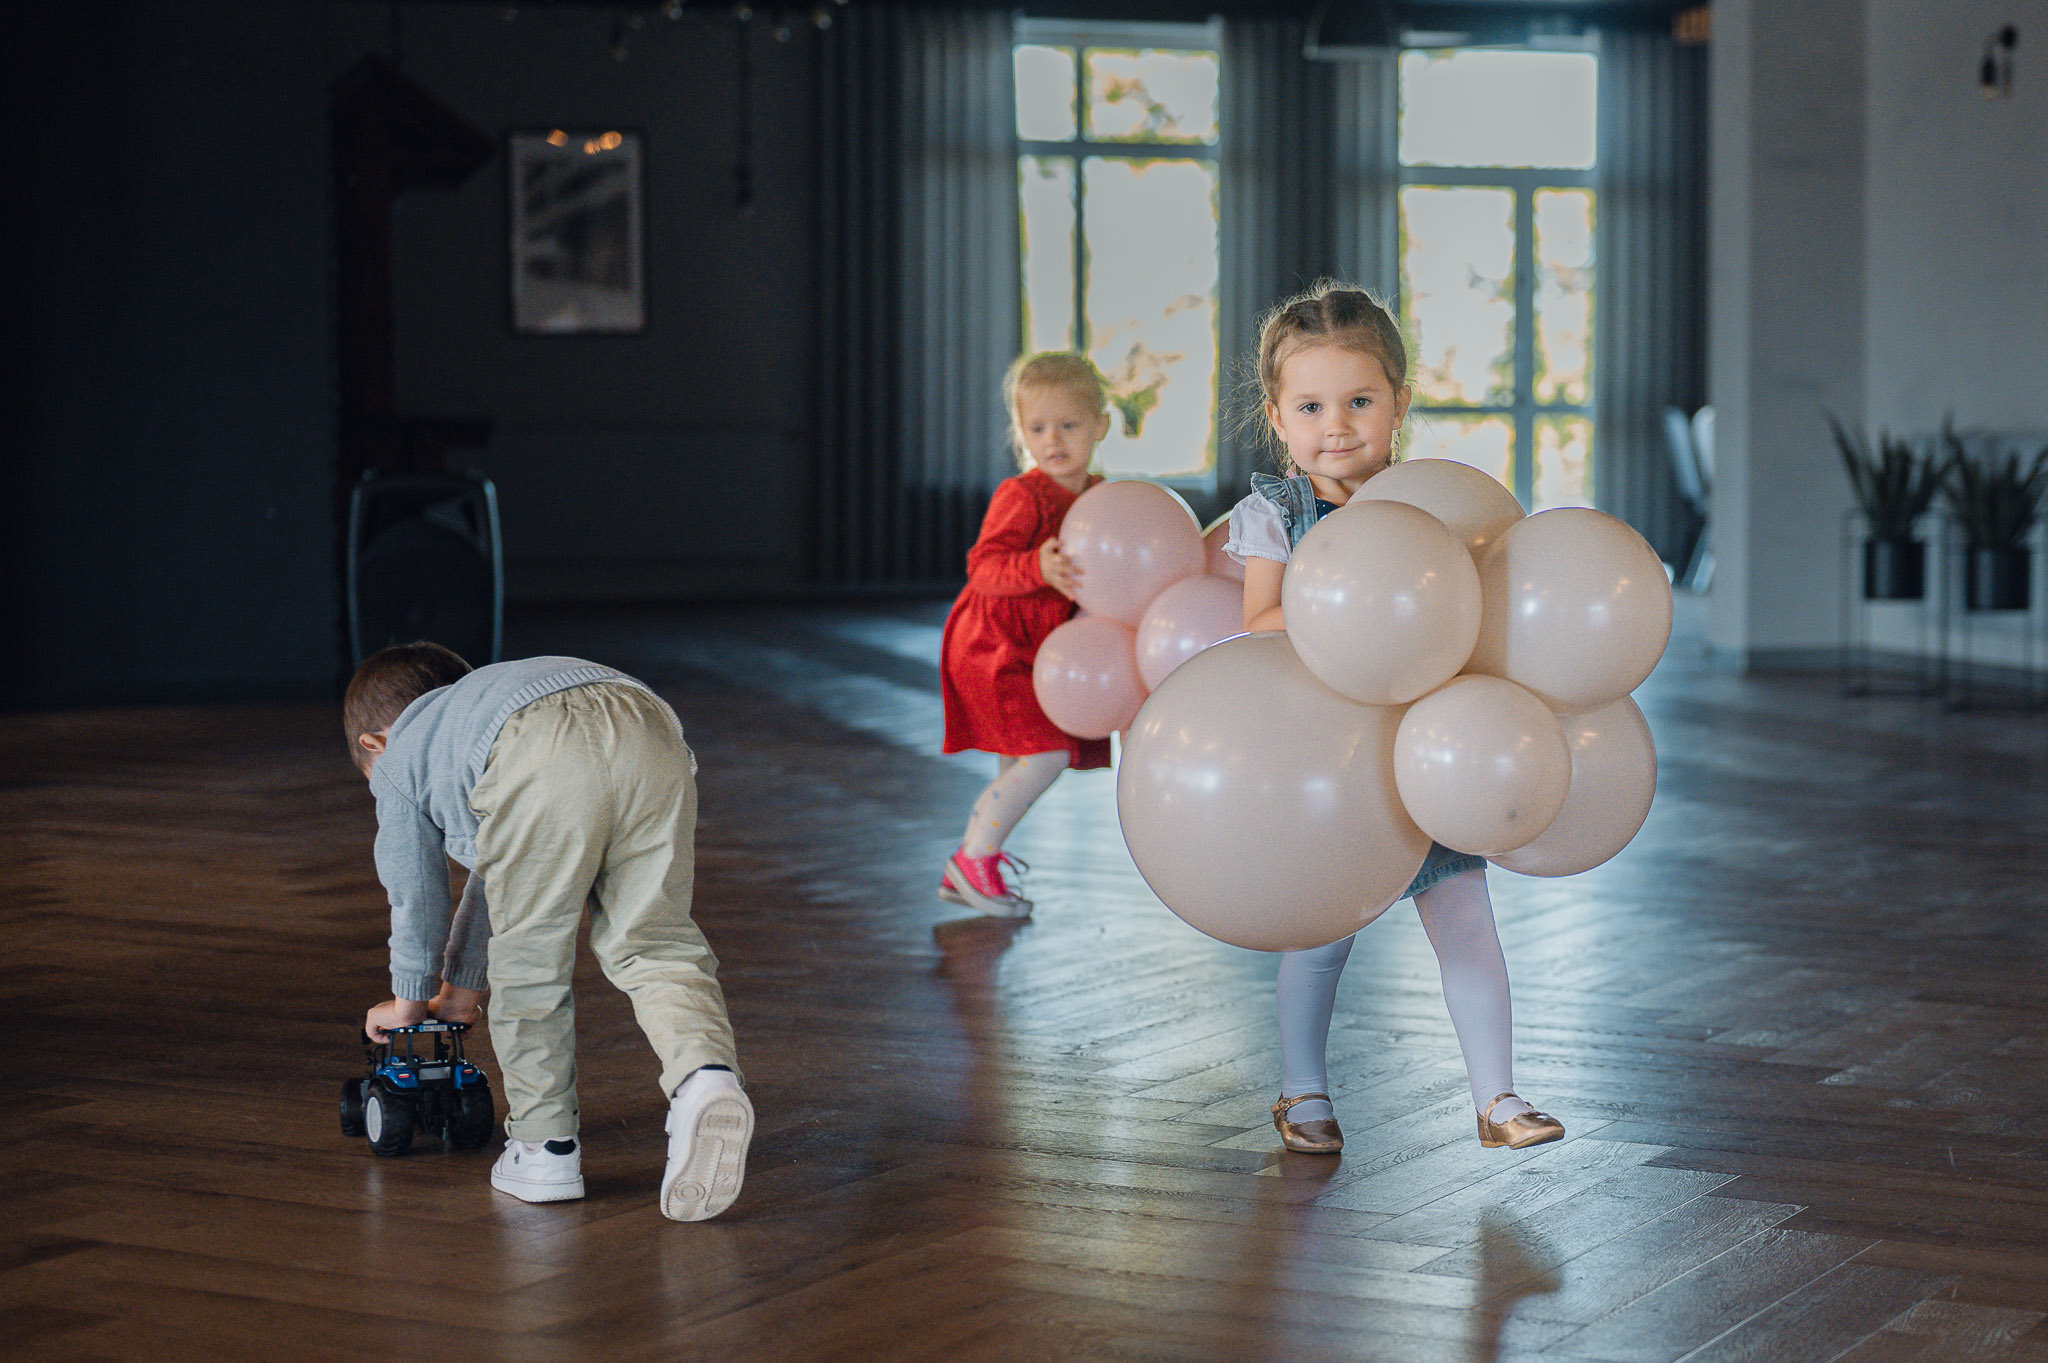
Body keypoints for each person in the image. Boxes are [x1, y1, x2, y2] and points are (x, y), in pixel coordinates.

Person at [1224, 282, 1564, 1155]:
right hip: (1333, 761)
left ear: (1399, 403)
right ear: (1278, 415)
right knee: (1321, 937)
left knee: (1468, 922)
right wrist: (1355, 621)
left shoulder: (1431, 507)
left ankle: (1498, 1096)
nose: (1336, 426)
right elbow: (1259, 619)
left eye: (1360, 401)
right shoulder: (1276, 513)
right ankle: (1303, 1090)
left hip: (1432, 750)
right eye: (1311, 406)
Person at [345, 643, 752, 1220]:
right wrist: (458, 996)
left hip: (538, 744)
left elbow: (417, 897)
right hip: (647, 723)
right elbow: (498, 875)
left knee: (530, 962)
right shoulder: (479, 707)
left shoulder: (400, 755)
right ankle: (706, 1078)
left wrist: (409, 1003)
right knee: (654, 941)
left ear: (373, 744)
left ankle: (545, 1148)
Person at [938, 352, 1115, 917]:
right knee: (1047, 754)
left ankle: (971, 866)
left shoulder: (1100, 495)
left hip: (1038, 649)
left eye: (1068, 425)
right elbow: (982, 566)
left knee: (1019, 762)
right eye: (1036, 428)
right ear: (1021, 433)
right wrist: (1035, 566)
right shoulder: (1023, 495)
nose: (1052, 440)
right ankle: (973, 858)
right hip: (994, 646)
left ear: (1100, 425)